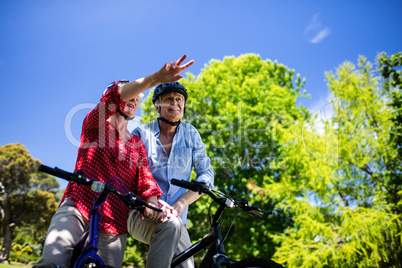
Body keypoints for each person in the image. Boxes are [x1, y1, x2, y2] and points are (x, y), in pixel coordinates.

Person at [34, 55, 194, 268]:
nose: (135, 99)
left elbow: (146, 179)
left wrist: (153, 201)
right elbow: (112, 96)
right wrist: (155, 78)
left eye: (138, 98)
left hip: (114, 221)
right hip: (79, 206)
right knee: (51, 263)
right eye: (131, 94)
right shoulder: (96, 124)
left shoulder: (136, 143)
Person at [127, 81, 215, 268]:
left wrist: (181, 203)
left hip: (176, 220)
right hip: (142, 214)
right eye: (169, 99)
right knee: (170, 228)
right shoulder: (141, 134)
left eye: (179, 99)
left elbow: (205, 172)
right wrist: (148, 201)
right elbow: (129, 175)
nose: (175, 103)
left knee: (187, 266)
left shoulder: (191, 134)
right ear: (157, 106)